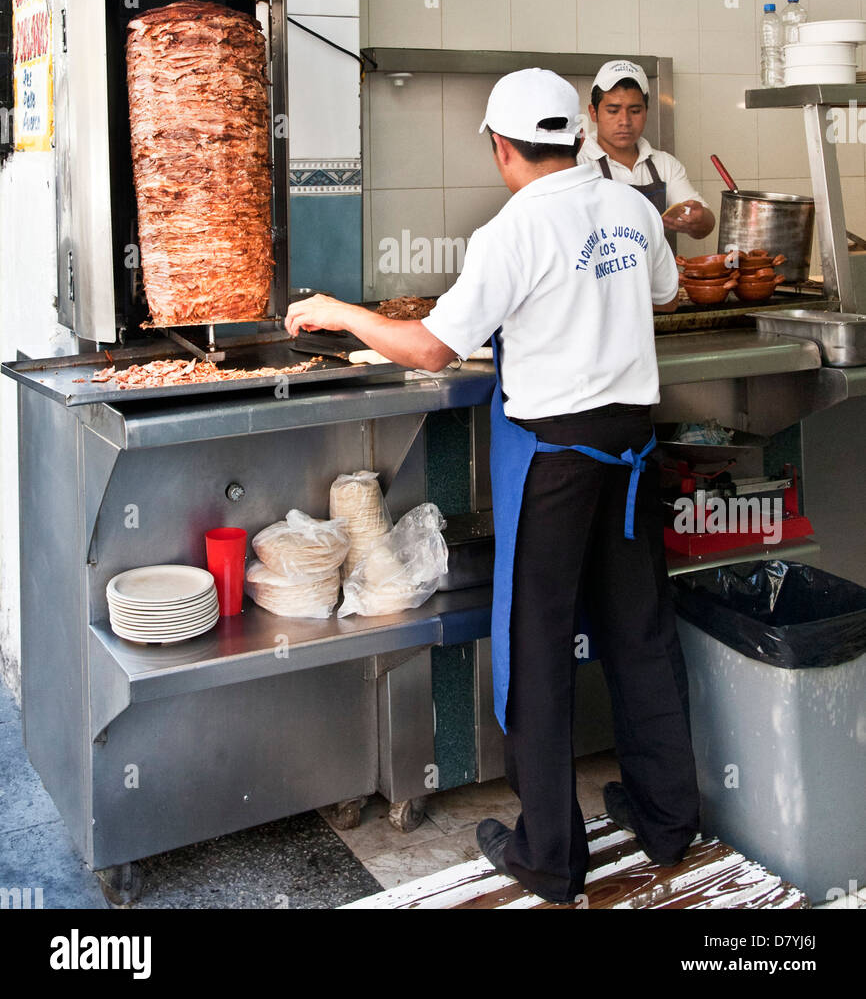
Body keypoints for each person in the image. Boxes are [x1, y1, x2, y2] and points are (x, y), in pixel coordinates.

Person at [284, 66, 700, 905]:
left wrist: (343, 313)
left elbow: (433, 349)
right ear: (579, 133)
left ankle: (550, 855)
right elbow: (666, 289)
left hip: (560, 464)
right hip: (632, 452)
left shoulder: (511, 231)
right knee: (641, 634)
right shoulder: (631, 207)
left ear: (504, 147)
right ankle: (666, 820)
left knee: (539, 651)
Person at [578, 59, 715, 240]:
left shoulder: (664, 164)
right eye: (613, 111)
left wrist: (699, 220)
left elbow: (705, 225)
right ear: (593, 112)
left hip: (657, 268)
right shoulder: (578, 163)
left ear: (646, 112)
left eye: (635, 111)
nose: (625, 121)